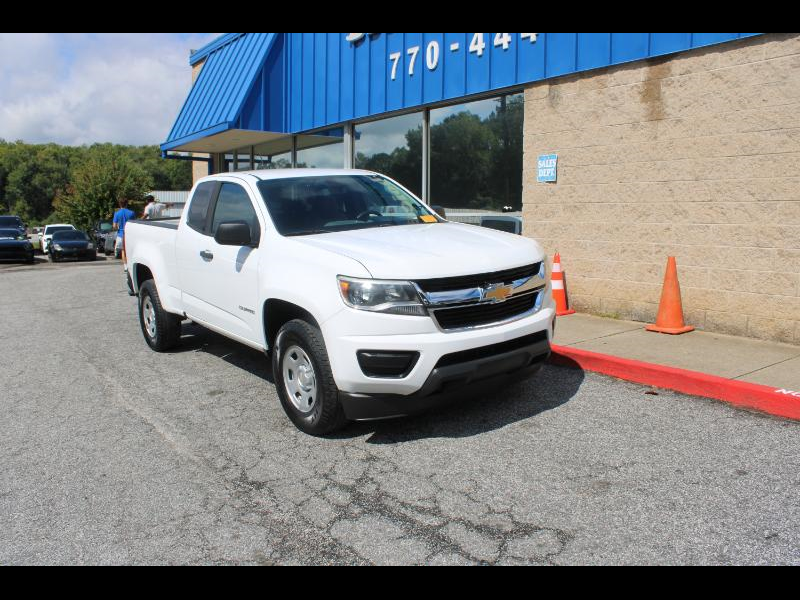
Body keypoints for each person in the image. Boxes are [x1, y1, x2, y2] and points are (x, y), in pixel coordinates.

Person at [112, 198, 135, 268]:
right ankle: (131, 265)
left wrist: (118, 228)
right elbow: (134, 224)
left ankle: (125, 266)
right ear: (127, 204)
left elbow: (114, 226)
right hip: (130, 234)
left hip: (121, 235)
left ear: (119, 204)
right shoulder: (131, 213)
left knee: (123, 250)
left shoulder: (117, 213)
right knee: (130, 251)